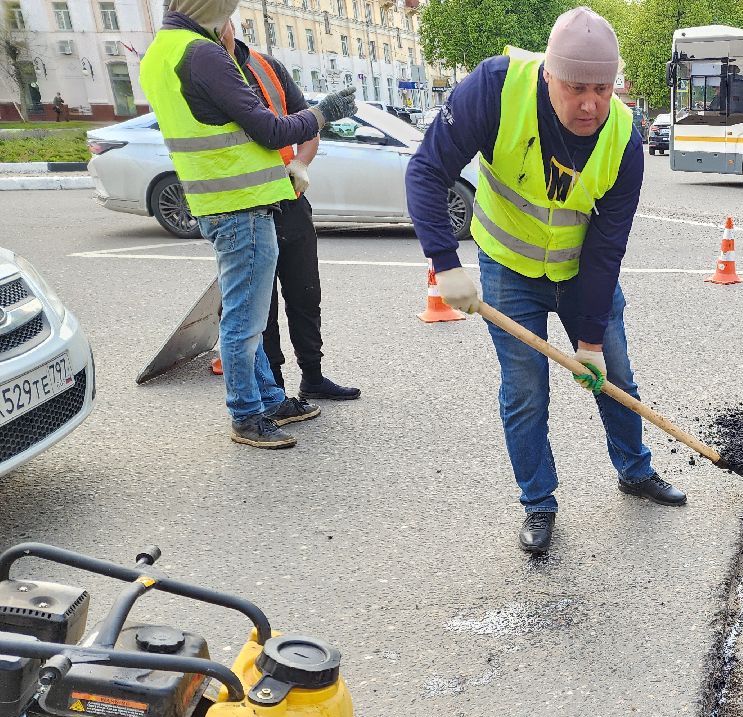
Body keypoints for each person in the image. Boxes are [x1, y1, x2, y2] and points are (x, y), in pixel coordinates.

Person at [406, 6, 685, 554]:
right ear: (548, 74)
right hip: (508, 269)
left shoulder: (624, 137)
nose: (591, 105)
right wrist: (445, 262)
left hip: (581, 271)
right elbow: (426, 170)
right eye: (577, 88)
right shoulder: (496, 89)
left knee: (615, 375)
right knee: (526, 391)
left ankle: (635, 470)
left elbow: (607, 247)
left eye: (602, 89)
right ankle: (539, 501)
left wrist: (590, 341)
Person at [139, 0, 357, 448]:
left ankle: (269, 399)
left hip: (219, 201)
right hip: (242, 204)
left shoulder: (161, 51)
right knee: (244, 321)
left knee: (247, 316)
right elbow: (271, 130)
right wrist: (325, 112)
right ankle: (246, 414)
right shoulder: (201, 53)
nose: (229, 23)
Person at [221, 20, 360, 402]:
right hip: (245, 207)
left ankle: (312, 377)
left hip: (289, 199)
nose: (219, 30)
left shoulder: (267, 67)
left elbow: (307, 127)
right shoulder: (206, 73)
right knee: (260, 310)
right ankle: (276, 391)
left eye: (223, 19)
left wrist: (300, 162)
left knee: (305, 294)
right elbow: (268, 130)